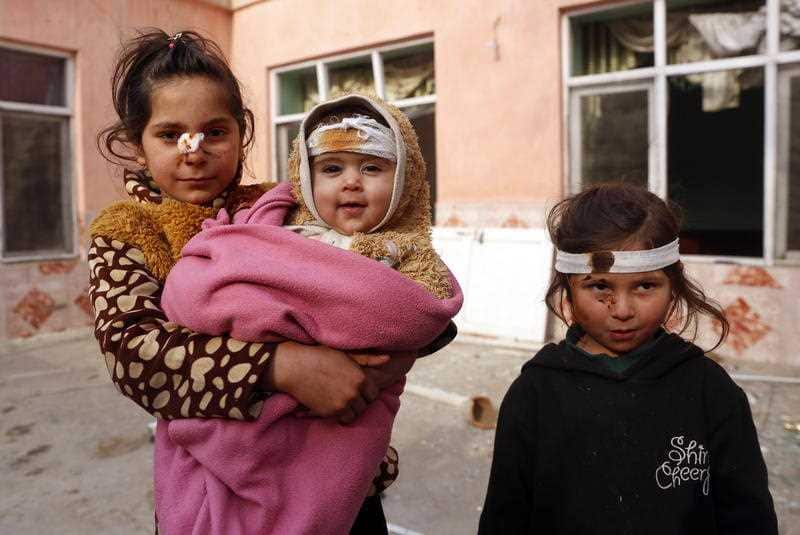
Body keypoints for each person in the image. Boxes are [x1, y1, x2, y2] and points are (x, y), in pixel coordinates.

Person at [90, 29, 453, 534]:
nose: (193, 152)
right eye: (170, 135)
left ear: (242, 133)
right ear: (136, 144)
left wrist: (399, 349)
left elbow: (379, 279)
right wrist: (281, 366)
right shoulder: (126, 230)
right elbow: (133, 355)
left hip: (338, 468)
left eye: (214, 132)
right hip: (217, 480)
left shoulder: (288, 206)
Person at [478, 183, 778, 534]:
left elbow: (749, 519)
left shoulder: (711, 392)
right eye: (600, 287)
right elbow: (505, 517)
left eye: (645, 286)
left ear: (673, 287)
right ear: (569, 289)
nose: (622, 310)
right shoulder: (535, 394)